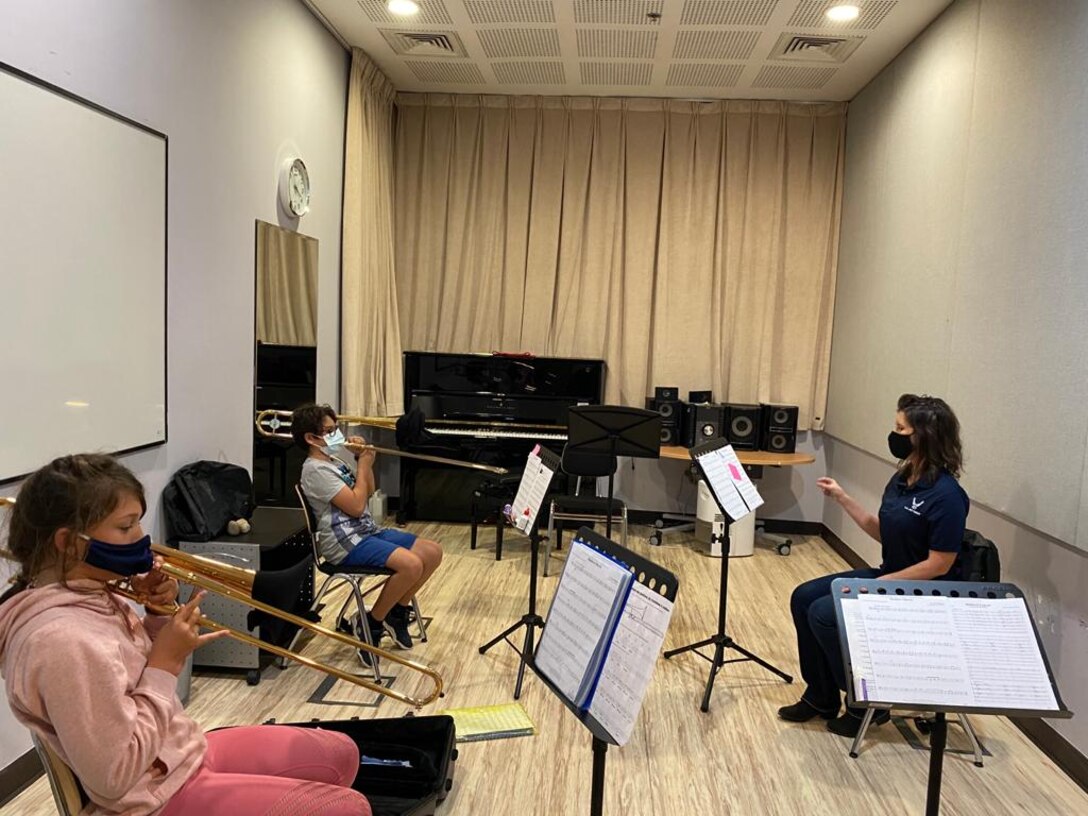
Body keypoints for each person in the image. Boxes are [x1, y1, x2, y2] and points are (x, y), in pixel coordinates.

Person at [0, 453, 371, 816]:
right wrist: (166, 663)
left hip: (177, 752)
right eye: (126, 527)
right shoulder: (61, 641)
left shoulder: (93, 594)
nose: (142, 537)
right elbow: (113, 776)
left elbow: (125, 678)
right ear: (69, 542)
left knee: (341, 752)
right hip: (151, 798)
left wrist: (157, 615)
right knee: (349, 809)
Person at [778, 394, 969, 738]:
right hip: (890, 576)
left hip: (923, 592)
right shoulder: (903, 478)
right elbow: (885, 533)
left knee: (824, 614)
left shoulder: (947, 496)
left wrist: (879, 585)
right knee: (803, 597)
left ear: (924, 436)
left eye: (901, 429)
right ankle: (821, 696)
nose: (894, 434)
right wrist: (842, 497)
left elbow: (939, 565)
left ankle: (866, 700)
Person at [294, 403, 442, 653]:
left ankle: (396, 612)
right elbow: (355, 506)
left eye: (336, 428)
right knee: (412, 565)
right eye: (330, 431)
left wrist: (363, 460)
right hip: (344, 542)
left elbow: (368, 490)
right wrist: (362, 465)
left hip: (365, 531)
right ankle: (371, 623)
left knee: (433, 552)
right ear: (311, 438)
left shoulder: (333, 461)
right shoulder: (314, 470)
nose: (337, 435)